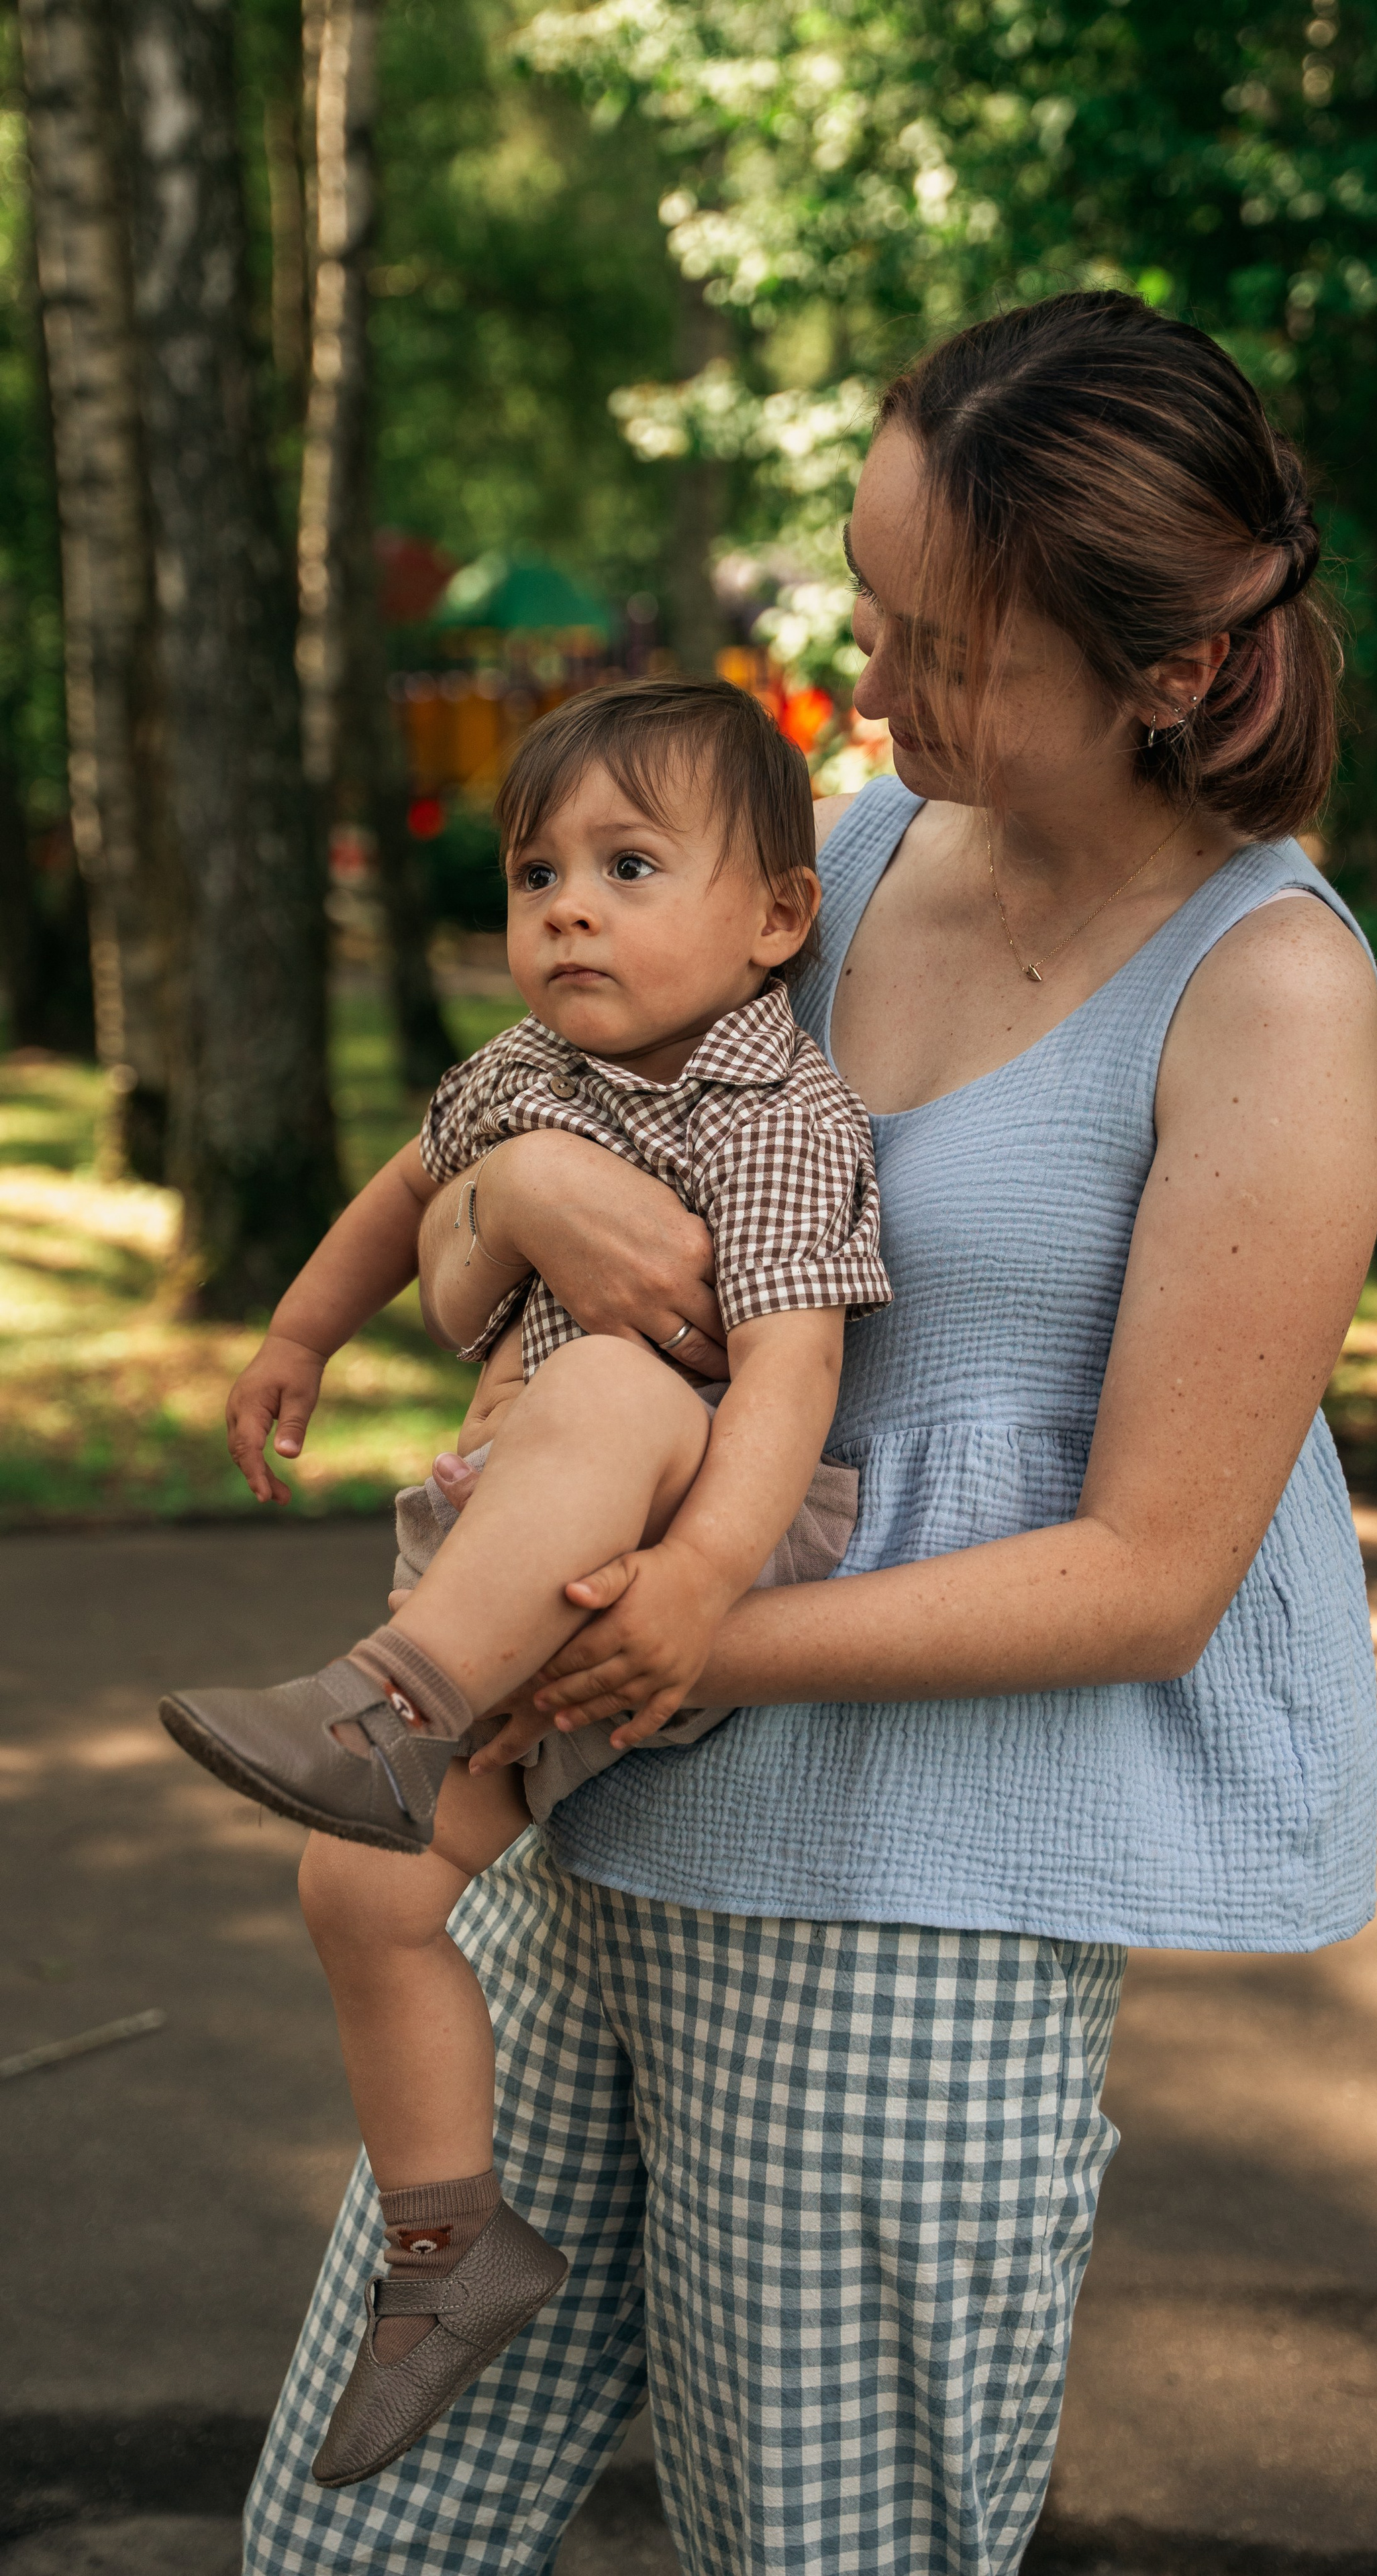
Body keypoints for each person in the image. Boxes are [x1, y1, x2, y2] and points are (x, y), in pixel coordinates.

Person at [244, 289, 1377, 2576]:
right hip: (587, 1842)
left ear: (1163, 668)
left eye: (933, 639)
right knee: (349, 2542)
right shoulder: (838, 860)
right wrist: (504, 1177)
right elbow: (512, 1262)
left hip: (899, 1912)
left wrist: (681, 1640)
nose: (866, 680)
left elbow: (1157, 1574)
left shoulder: (1266, 986)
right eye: (865, 602)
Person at [162, 678, 889, 2488]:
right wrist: (300, 1338)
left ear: (774, 917)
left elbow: (788, 1380)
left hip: (694, 1531)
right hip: (519, 1554)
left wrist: (703, 1581)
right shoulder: (519, 1081)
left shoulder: (776, 1107)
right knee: (358, 1888)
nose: (567, 906)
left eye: (631, 866)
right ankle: (445, 2244)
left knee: (625, 1378)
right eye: (535, 870)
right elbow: (410, 1197)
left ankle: (389, 1706)